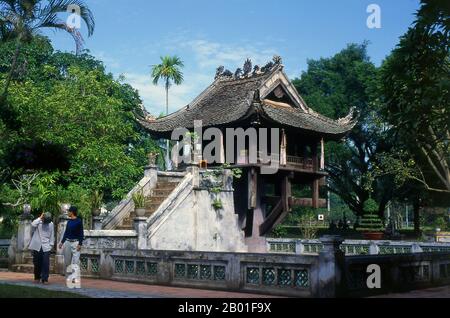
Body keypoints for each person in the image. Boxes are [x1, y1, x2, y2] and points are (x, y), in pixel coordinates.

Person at [29, 212, 54, 284]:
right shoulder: (38, 222)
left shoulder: (51, 224)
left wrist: (51, 245)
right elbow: (32, 225)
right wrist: (40, 217)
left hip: (46, 246)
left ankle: (45, 279)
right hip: (37, 245)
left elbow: (52, 235)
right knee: (37, 262)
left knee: (46, 263)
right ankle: (37, 277)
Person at [58, 206, 84, 276]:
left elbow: (81, 233)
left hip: (76, 243)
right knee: (67, 261)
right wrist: (62, 242)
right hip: (67, 242)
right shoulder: (69, 222)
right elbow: (66, 233)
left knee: (76, 261)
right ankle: (68, 276)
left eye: (69, 211)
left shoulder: (79, 221)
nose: (68, 213)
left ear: (72, 212)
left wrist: (80, 244)